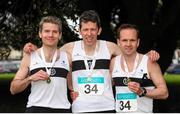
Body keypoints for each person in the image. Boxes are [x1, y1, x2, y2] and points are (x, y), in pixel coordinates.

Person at [23, 10, 159, 113]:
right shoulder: (68, 49)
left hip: (107, 107)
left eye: (93, 29)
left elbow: (130, 54)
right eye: (85, 30)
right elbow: (50, 54)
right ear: (79, 30)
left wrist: (148, 56)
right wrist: (30, 49)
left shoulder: (110, 47)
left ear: (99, 30)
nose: (89, 33)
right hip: (80, 108)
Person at [10, 16, 72, 113]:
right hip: (35, 109)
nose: (50, 35)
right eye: (47, 31)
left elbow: (73, 83)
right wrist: (30, 78)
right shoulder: (30, 57)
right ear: (40, 34)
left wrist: (74, 91)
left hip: (62, 109)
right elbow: (13, 89)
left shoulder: (68, 57)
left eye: (55, 32)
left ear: (60, 35)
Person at [110, 24, 168, 113]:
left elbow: (164, 93)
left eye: (132, 40)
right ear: (118, 42)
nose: (128, 44)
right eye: (124, 40)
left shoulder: (149, 63)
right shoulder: (113, 63)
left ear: (138, 42)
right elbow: (106, 88)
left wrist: (142, 91)